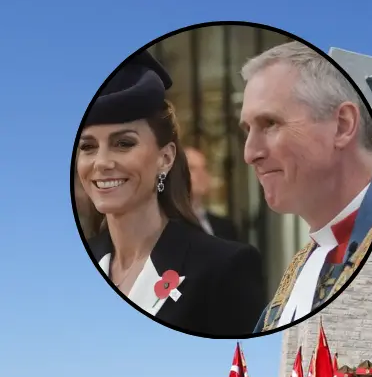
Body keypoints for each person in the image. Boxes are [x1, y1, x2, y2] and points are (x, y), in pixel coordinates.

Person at [77, 50, 265, 337]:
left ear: (165, 158)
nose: (102, 163)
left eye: (123, 143)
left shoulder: (222, 267)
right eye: (88, 147)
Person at [241, 42, 372, 333]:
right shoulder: (303, 261)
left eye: (269, 123)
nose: (250, 153)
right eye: (247, 130)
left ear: (342, 126)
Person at [184, 146, 241, 242]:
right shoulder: (165, 226)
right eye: (192, 168)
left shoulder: (225, 227)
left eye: (204, 168)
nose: (201, 174)